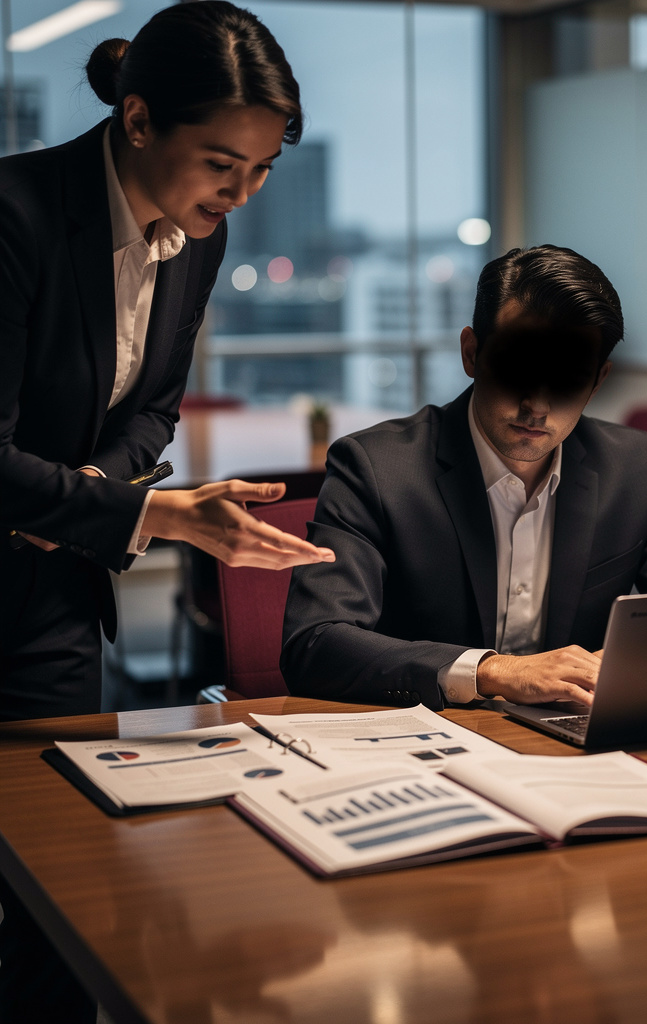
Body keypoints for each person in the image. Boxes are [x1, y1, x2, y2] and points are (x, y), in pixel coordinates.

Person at [0, 4, 330, 1020]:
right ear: (138, 120)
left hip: (53, 603)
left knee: (59, 895)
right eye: (221, 164)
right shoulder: (14, 217)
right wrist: (154, 517)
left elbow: (150, 406)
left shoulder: (198, 237)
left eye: (263, 171)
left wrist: (91, 501)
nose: (239, 196)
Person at [281, 244, 647, 709]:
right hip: (432, 739)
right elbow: (315, 644)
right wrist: (492, 670)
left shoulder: (633, 466)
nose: (537, 405)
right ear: (472, 353)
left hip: (574, 738)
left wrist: (626, 665)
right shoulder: (375, 467)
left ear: (598, 381)